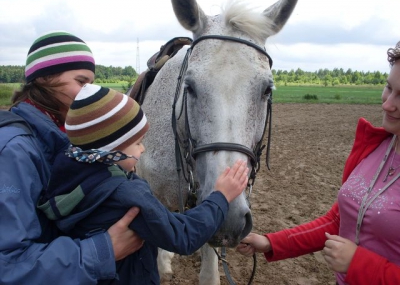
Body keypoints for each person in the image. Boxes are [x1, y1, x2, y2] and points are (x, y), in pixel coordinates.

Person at [37, 83, 249, 284]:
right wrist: (220, 197)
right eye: (137, 143)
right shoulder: (128, 195)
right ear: (112, 151)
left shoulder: (67, 173)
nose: (143, 149)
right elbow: (182, 236)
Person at [236, 41, 400, 285]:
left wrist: (359, 264)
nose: (387, 104)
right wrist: (270, 242)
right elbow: (337, 222)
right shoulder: (375, 148)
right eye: (389, 87)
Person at [0, 31, 144, 284]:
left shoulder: (62, 136)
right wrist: (103, 251)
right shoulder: (15, 151)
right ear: (44, 78)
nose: (89, 91)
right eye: (81, 81)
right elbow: (8, 264)